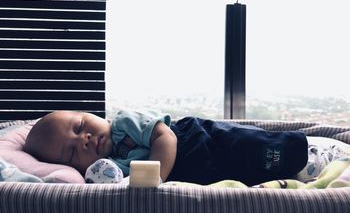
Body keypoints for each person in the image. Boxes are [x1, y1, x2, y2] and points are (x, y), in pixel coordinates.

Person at [24, 109, 311, 186]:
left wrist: (157, 177)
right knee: (245, 174)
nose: (84, 139)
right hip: (198, 172)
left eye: (80, 126)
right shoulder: (104, 169)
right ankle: (284, 175)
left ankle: (304, 152)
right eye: (73, 152)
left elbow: (165, 137)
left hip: (197, 141)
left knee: (252, 146)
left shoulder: (124, 123)